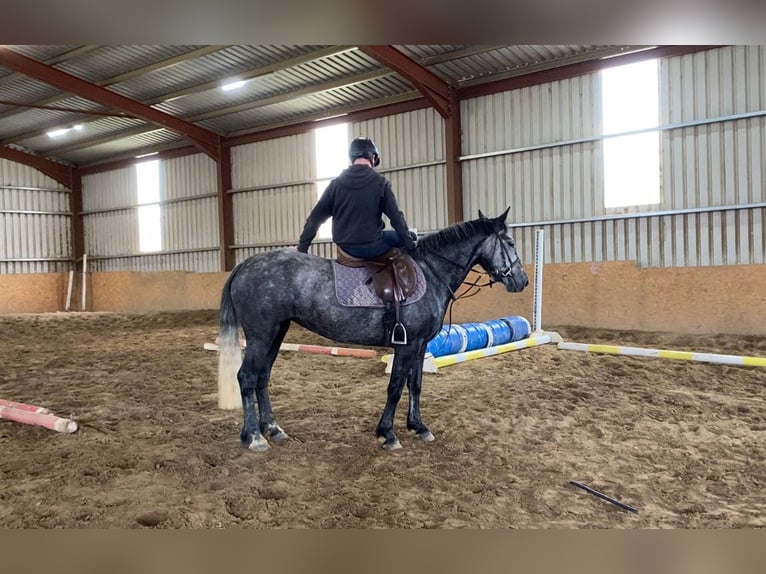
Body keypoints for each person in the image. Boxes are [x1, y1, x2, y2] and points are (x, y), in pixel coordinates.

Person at [297, 137, 416, 258]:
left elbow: (315, 219)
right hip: (372, 245)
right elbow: (396, 217)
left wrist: (302, 247)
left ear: (352, 158)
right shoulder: (381, 182)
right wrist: (410, 244)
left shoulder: (335, 184)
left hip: (344, 247)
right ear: (373, 157)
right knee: (412, 236)